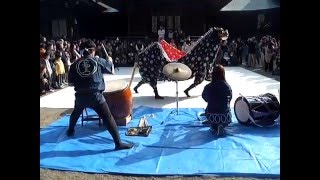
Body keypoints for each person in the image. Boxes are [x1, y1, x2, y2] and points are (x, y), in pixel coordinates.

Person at [66, 39, 133, 150]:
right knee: (108, 117)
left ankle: (71, 130)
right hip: (96, 96)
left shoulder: (74, 65)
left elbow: (70, 83)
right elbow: (111, 70)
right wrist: (110, 60)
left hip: (80, 96)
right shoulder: (98, 61)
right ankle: (118, 143)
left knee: (76, 113)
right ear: (92, 51)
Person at [202, 64, 232, 136]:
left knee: (209, 109)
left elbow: (204, 97)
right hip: (225, 116)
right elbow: (230, 98)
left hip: (212, 115)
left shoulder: (208, 86)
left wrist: (211, 101)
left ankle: (214, 126)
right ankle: (222, 125)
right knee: (225, 108)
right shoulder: (227, 86)